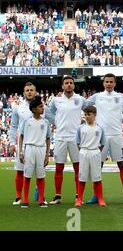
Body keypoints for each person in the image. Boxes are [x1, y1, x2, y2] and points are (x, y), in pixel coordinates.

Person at [85, 73, 123, 204]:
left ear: (115, 83)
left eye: (111, 82)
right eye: (106, 81)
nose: (109, 84)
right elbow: (84, 106)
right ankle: (96, 195)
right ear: (103, 83)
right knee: (97, 166)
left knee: (122, 164)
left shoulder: (121, 97)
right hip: (101, 136)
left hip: (117, 135)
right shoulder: (97, 97)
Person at [10, 82, 53, 206]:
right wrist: (13, 142)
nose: (29, 92)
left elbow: (54, 118)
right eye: (27, 90)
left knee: (40, 172)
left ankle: (40, 196)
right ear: (24, 92)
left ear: (35, 92)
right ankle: (19, 197)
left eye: (31, 90)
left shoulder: (44, 108)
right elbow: (13, 126)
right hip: (24, 145)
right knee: (20, 170)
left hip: (39, 145)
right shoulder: (18, 108)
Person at [48, 76, 89, 205]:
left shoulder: (80, 99)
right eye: (66, 83)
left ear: (74, 85)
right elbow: (49, 113)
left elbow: (90, 111)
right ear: (62, 86)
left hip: (75, 139)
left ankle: (79, 196)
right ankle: (58, 196)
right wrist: (57, 122)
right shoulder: (56, 100)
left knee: (78, 168)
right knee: (59, 167)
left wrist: (84, 125)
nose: (69, 85)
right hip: (60, 137)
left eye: (71, 83)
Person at [18, 96, 51, 208]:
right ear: (33, 109)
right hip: (29, 149)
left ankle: (41, 199)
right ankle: (25, 200)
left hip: (41, 149)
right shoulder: (27, 121)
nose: (43, 108)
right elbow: (21, 136)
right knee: (27, 176)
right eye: (40, 107)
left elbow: (48, 138)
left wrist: (47, 155)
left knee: (41, 176)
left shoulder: (45, 122)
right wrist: (21, 152)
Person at [75, 106, 106, 207]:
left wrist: (96, 151)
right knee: (82, 177)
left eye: (89, 114)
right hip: (84, 152)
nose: (87, 116)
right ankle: (79, 199)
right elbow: (78, 142)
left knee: (97, 177)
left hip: (95, 152)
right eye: (86, 114)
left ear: (95, 115)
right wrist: (83, 151)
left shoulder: (99, 128)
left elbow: (103, 143)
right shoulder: (81, 128)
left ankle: (100, 198)